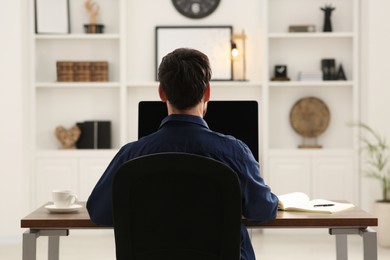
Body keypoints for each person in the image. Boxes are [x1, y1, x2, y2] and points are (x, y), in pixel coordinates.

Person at [87, 48, 279, 260]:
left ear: (161, 92)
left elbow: (98, 212)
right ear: (207, 92)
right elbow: (263, 210)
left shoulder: (131, 155)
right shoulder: (235, 152)